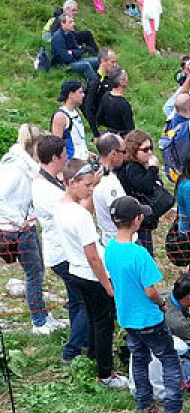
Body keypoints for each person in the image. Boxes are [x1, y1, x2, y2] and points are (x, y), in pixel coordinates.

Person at [104, 196, 184, 413]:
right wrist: (161, 303)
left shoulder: (110, 249)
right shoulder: (140, 254)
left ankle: (144, 405)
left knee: (138, 360)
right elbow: (150, 291)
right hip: (149, 318)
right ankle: (174, 410)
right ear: (137, 220)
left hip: (127, 317)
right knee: (168, 359)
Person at [55, 158, 128, 388]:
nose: (91, 190)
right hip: (91, 274)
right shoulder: (81, 216)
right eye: (87, 185)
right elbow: (92, 256)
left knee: (93, 319)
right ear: (71, 182)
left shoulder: (62, 207)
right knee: (104, 323)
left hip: (75, 271)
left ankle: (94, 356)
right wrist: (107, 284)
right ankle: (106, 374)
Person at [0, 125, 60, 335]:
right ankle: (38, 322)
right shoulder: (13, 168)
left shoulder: (26, 166)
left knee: (38, 271)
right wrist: (17, 221)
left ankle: (42, 314)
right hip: (17, 228)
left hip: (29, 223)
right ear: (32, 146)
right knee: (33, 274)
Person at [33, 135, 87, 355]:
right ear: (55, 157)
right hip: (63, 252)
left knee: (75, 300)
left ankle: (81, 339)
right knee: (85, 302)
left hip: (62, 250)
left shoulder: (49, 180)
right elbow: (73, 210)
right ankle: (72, 350)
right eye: (65, 154)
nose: (67, 158)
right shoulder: (47, 190)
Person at [116, 129, 163, 253]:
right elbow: (145, 186)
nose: (150, 153)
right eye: (145, 150)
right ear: (133, 150)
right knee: (145, 254)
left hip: (137, 219)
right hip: (137, 220)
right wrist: (153, 169)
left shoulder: (131, 166)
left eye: (151, 148)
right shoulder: (132, 168)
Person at [90, 133, 126, 242]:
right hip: (120, 238)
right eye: (123, 152)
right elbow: (120, 214)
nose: (125, 155)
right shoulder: (109, 183)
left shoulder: (95, 173)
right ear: (114, 154)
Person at [50, 15, 99, 82]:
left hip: (76, 60)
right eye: (70, 22)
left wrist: (72, 52)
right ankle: (95, 84)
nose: (73, 24)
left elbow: (79, 51)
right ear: (62, 23)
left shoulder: (70, 34)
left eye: (73, 21)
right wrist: (75, 53)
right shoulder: (58, 37)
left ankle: (109, 80)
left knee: (99, 60)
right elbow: (66, 58)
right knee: (86, 65)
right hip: (64, 65)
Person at [81, 49, 118, 137]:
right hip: (101, 129)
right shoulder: (95, 82)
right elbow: (87, 108)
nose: (114, 65)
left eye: (115, 62)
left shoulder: (111, 81)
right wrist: (95, 132)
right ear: (102, 61)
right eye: (112, 62)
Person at [51, 79, 89, 161]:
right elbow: (56, 147)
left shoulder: (76, 113)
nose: (83, 95)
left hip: (81, 163)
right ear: (71, 94)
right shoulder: (60, 116)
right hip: (70, 166)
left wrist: (87, 153)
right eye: (80, 92)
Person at [96, 69, 135, 136]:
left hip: (108, 135)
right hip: (121, 138)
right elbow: (131, 130)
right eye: (126, 77)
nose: (128, 79)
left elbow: (99, 119)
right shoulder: (123, 104)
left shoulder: (106, 96)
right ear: (121, 82)